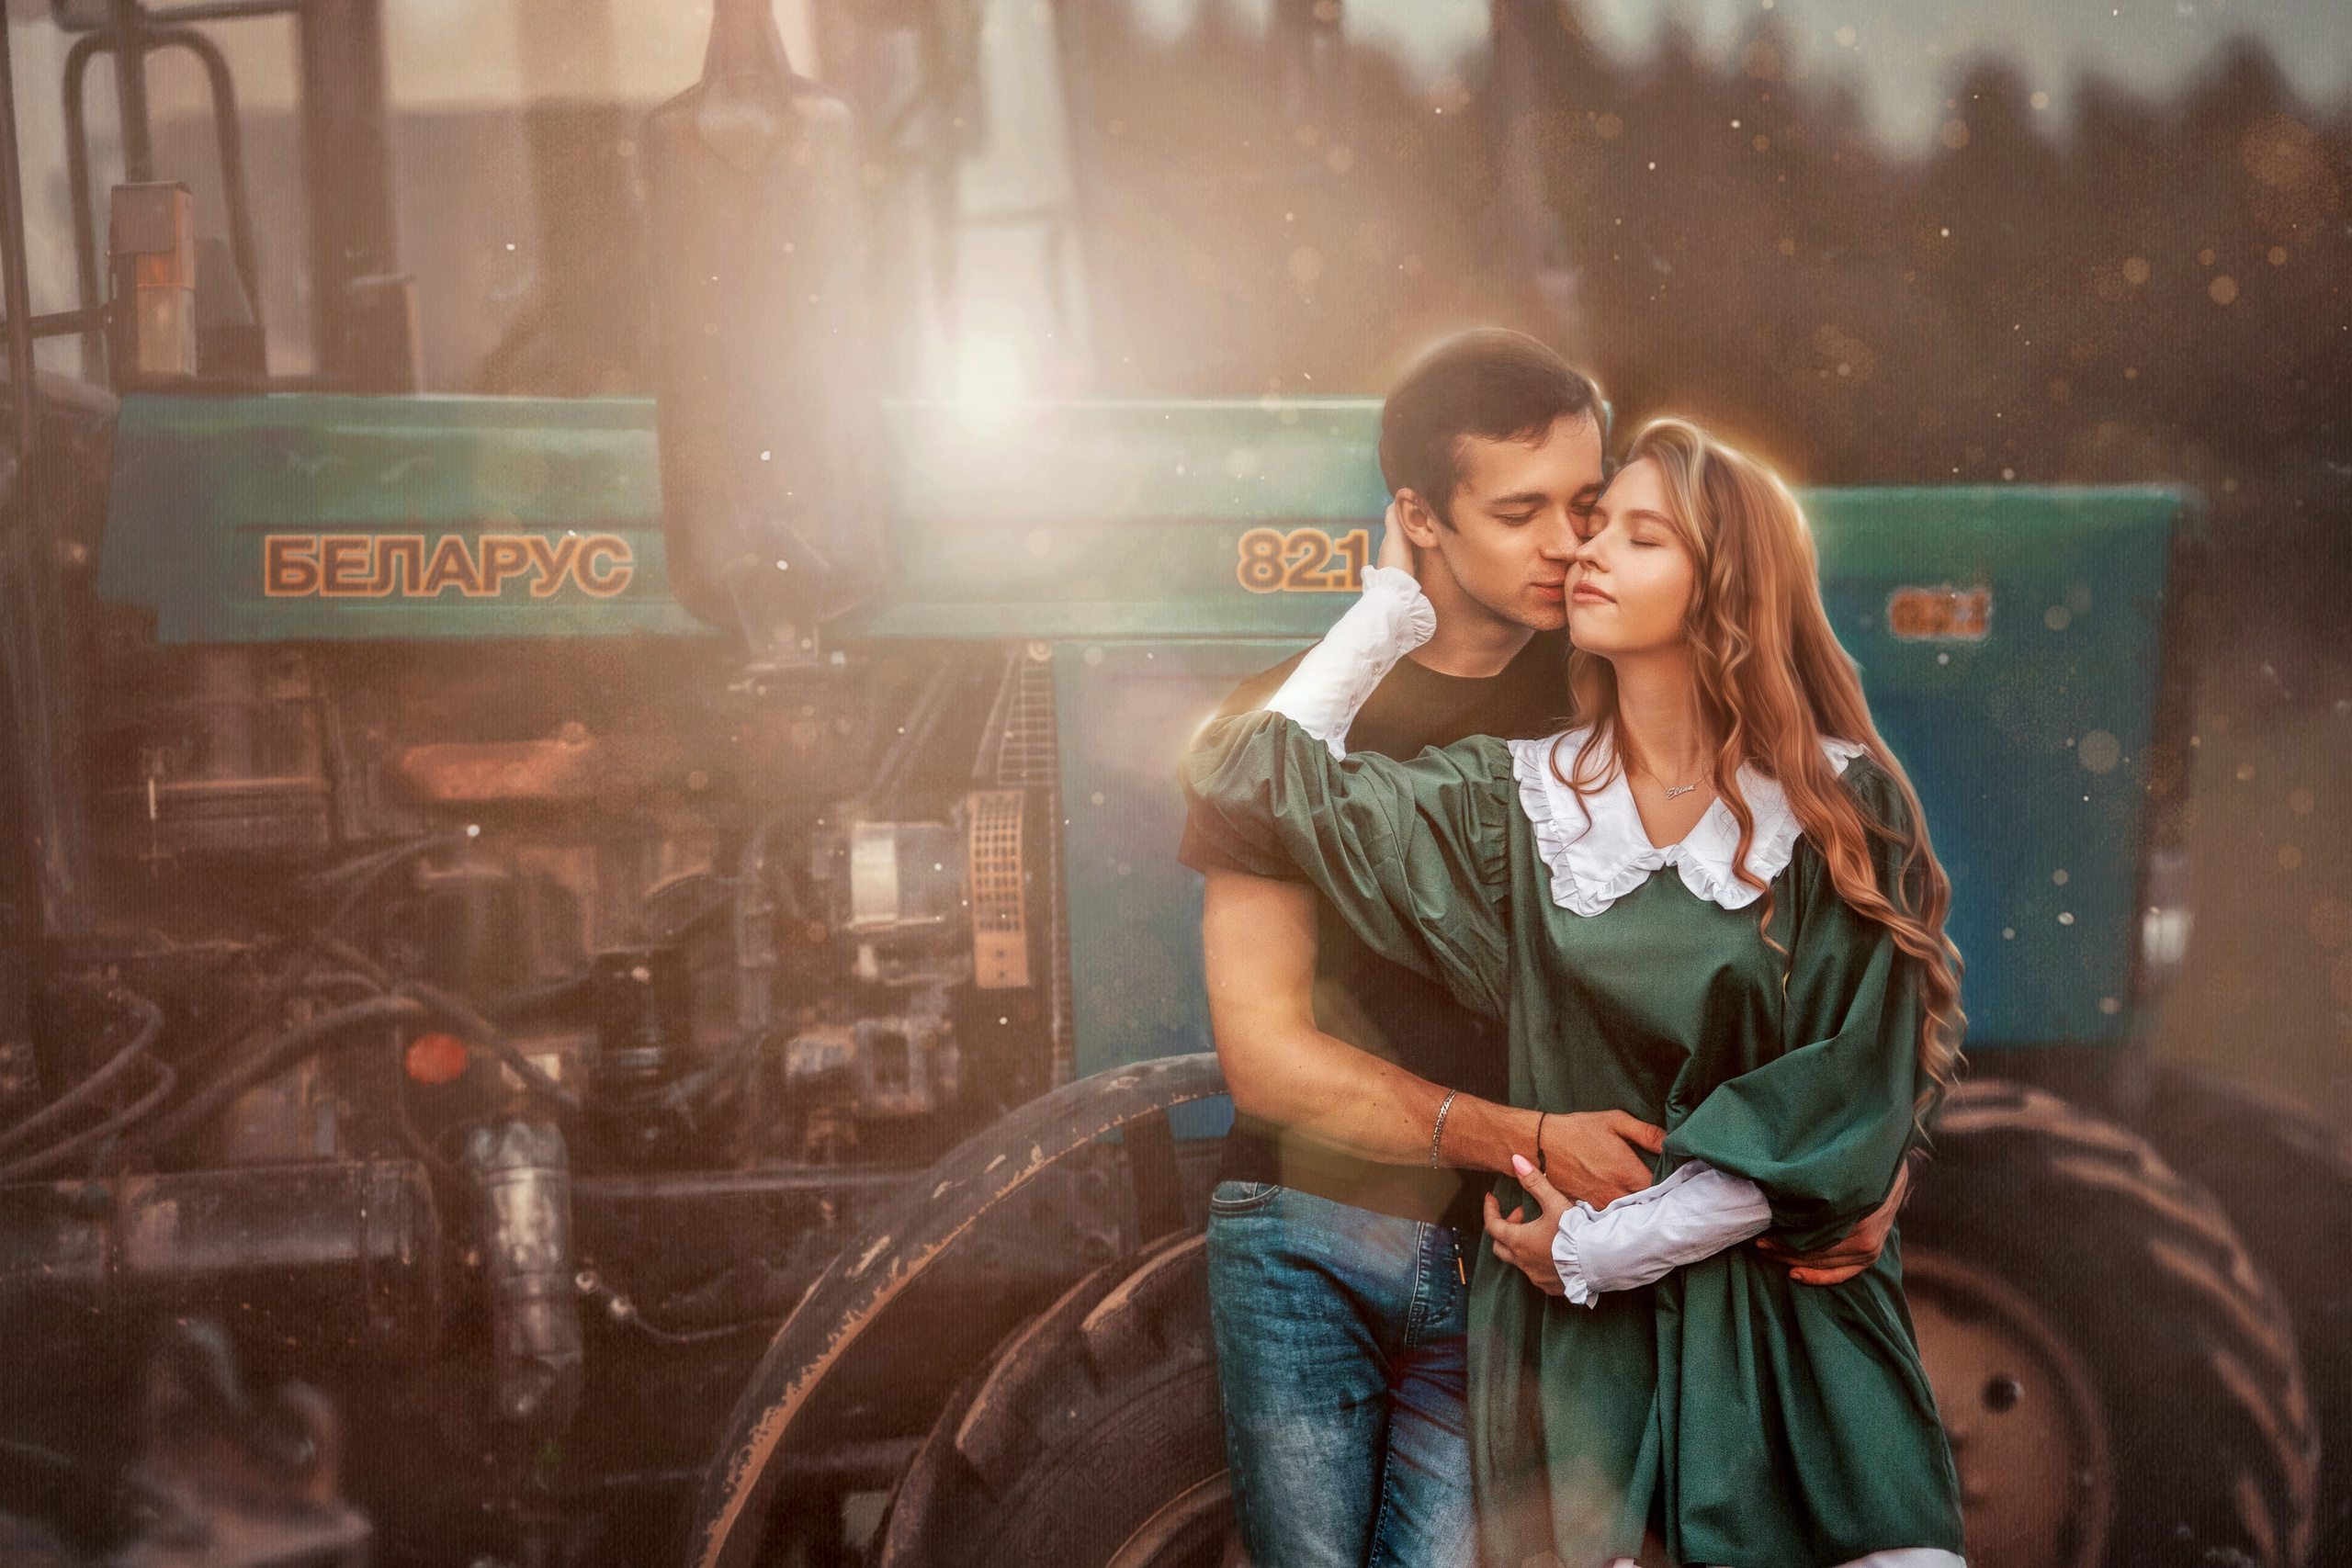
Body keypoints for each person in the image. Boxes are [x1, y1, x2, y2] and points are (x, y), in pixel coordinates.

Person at [1182, 414, 1966, 1568]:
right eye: (1594, 527)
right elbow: (1250, 774)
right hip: (1575, 1343)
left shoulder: (1841, 809)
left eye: (1637, 536)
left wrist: (1621, 1244)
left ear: (1727, 591)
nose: (1585, 551)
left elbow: (1846, 1094)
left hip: (1782, 1325)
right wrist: (1387, 616)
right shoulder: (1519, 808)